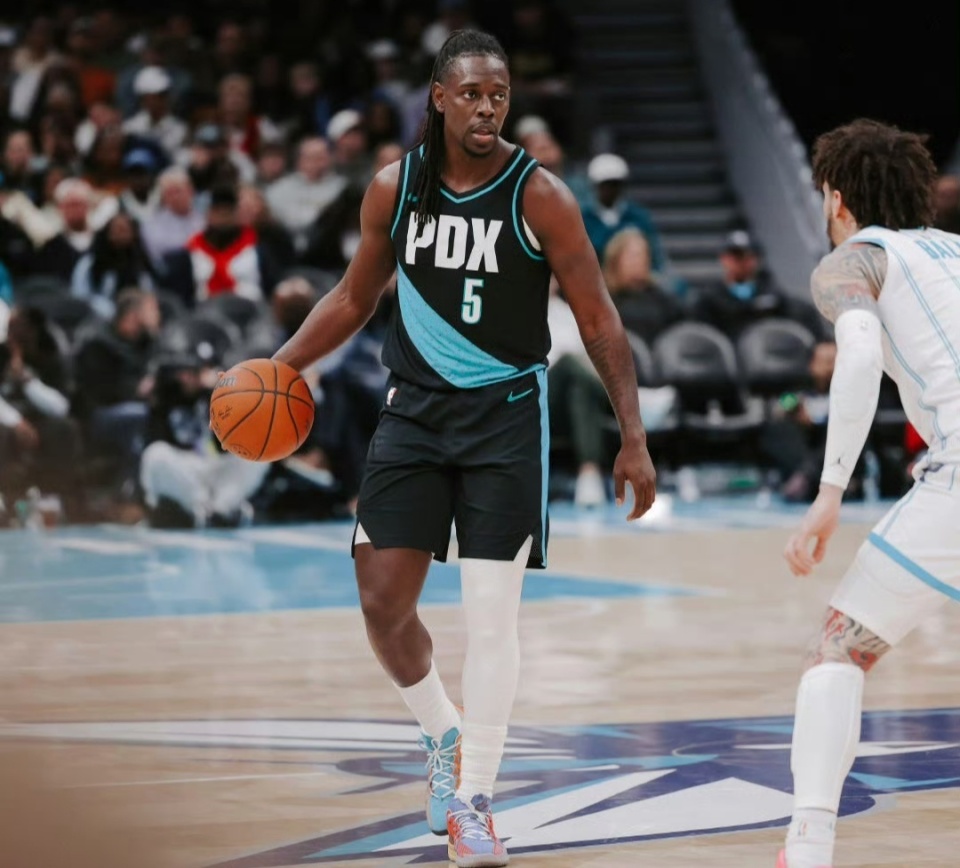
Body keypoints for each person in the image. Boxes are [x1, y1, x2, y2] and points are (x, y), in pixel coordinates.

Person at [263, 29, 656, 868]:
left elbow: (597, 317)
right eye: (471, 93)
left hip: (505, 420)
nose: (486, 108)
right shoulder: (395, 187)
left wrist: (632, 434)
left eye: (498, 95)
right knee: (381, 600)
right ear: (438, 97)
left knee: (490, 617)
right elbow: (354, 296)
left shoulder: (541, 195)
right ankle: (442, 731)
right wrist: (278, 366)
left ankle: (475, 802)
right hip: (413, 412)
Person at [779, 118, 960, 868]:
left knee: (840, 647)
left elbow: (855, 356)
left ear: (838, 199)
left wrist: (829, 495)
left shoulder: (854, 260)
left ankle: (808, 846)